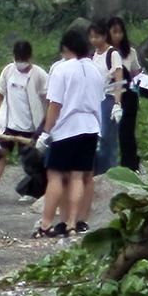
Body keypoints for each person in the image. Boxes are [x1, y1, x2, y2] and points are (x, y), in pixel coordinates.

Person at [36, 28, 103, 237]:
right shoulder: (94, 68)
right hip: (90, 127)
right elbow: (99, 100)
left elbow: (55, 104)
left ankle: (46, 224)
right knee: (77, 176)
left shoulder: (62, 69)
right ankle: (72, 224)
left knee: (55, 175)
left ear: (66, 48)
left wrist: (45, 132)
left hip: (67, 129)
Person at [0, 40, 49, 190]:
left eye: (23, 59)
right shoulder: (8, 71)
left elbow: (48, 98)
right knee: (1, 153)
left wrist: (47, 122)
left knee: (31, 160)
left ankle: (34, 189)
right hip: (9, 123)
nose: (21, 63)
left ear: (30, 57)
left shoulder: (39, 75)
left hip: (30, 125)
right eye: (18, 59)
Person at [88, 20, 126, 177]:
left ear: (104, 36)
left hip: (108, 99)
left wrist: (117, 103)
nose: (94, 40)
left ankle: (110, 174)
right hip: (95, 100)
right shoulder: (92, 56)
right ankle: (97, 173)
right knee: (95, 140)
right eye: (91, 37)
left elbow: (119, 79)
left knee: (107, 140)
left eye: (97, 36)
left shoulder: (112, 54)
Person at [107, 17, 144, 171]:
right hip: (109, 96)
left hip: (128, 96)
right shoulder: (104, 53)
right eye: (115, 32)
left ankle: (130, 166)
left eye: (121, 32)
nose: (118, 36)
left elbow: (136, 71)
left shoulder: (130, 52)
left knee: (127, 133)